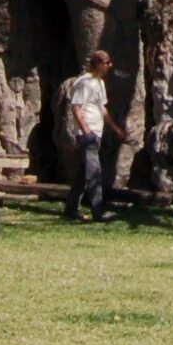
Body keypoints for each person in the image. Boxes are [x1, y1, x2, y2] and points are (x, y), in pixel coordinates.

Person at [59, 49, 119, 221]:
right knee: (94, 173)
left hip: (96, 133)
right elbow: (76, 107)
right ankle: (98, 211)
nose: (110, 65)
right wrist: (86, 130)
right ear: (98, 63)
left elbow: (102, 108)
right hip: (88, 135)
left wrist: (115, 128)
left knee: (81, 174)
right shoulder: (84, 82)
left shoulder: (99, 83)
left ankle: (70, 209)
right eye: (107, 62)